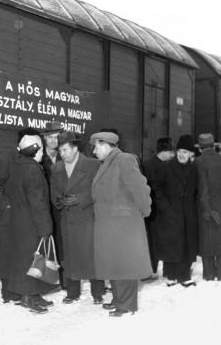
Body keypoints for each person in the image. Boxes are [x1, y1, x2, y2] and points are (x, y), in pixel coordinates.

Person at [0, 128, 54, 314]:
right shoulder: (9, 158)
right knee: (12, 257)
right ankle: (13, 295)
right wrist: (7, 204)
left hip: (23, 216)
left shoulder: (29, 161)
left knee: (28, 256)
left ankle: (31, 293)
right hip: (9, 217)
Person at [90, 131, 152, 317]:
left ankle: (126, 305)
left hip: (124, 224)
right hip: (112, 224)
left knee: (126, 264)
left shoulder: (124, 160)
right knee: (115, 263)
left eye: (96, 147)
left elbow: (140, 188)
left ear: (106, 145)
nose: (94, 151)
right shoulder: (108, 163)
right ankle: (118, 299)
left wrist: (145, 209)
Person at [50, 131, 105, 304]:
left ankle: (98, 292)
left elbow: (100, 190)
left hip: (87, 217)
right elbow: (53, 191)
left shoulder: (92, 165)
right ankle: (72, 292)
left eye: (65, 150)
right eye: (60, 151)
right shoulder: (57, 168)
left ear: (75, 149)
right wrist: (59, 199)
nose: (62, 154)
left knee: (92, 256)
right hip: (67, 219)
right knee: (70, 257)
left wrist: (80, 199)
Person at [154, 134, 198, 287]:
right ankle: (171, 274)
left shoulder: (194, 168)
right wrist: (165, 206)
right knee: (172, 244)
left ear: (191, 154)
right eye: (179, 151)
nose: (181, 154)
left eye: (185, 152)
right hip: (171, 213)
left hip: (188, 213)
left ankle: (184, 275)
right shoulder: (166, 167)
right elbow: (157, 189)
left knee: (186, 244)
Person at [196, 133, 221, 281]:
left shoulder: (199, 162)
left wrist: (206, 209)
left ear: (200, 148)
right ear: (214, 146)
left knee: (208, 243)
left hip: (208, 209)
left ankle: (210, 275)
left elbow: (203, 188)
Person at [142, 137, 175, 274]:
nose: (173, 154)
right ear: (165, 151)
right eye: (171, 151)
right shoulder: (169, 165)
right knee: (164, 239)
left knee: (152, 240)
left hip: (152, 210)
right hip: (162, 209)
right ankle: (166, 268)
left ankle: (152, 267)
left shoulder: (146, 164)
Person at [40, 121, 65, 287]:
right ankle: (46, 280)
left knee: (62, 242)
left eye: (57, 137)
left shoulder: (65, 156)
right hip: (44, 206)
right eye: (50, 137)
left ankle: (63, 280)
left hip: (61, 206)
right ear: (44, 139)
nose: (54, 141)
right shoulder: (39, 158)